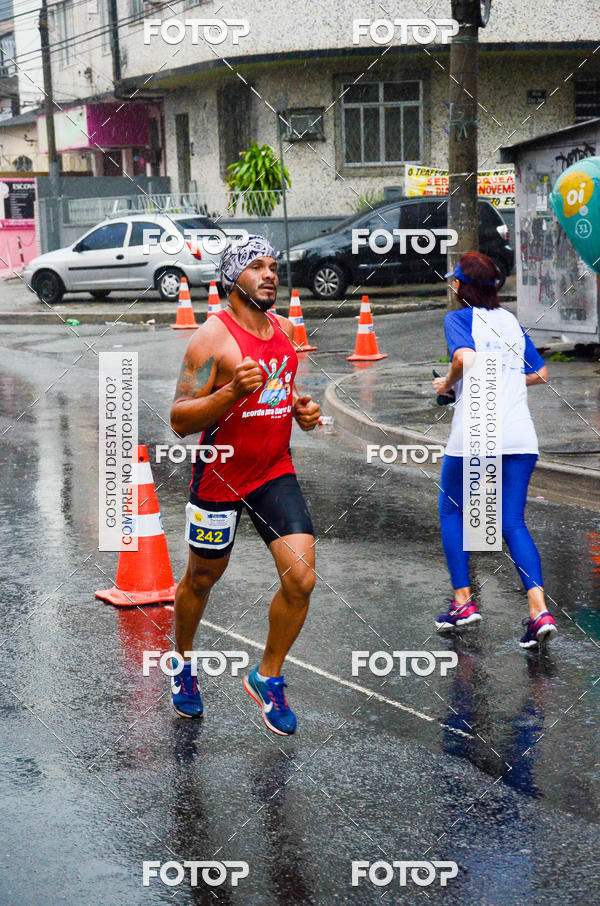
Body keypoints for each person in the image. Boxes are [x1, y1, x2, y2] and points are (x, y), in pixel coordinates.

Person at [169, 234, 320, 732]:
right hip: (221, 475)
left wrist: (301, 411)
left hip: (274, 470)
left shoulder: (284, 329)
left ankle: (267, 676)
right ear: (234, 278)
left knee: (301, 579)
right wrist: (231, 391)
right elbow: (180, 419)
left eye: (273, 265)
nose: (270, 274)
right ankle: (183, 663)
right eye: (256, 266)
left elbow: (281, 391)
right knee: (202, 579)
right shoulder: (210, 339)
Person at [432, 251, 558, 649]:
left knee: (453, 510)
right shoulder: (510, 322)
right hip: (520, 436)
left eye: (455, 280)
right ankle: (539, 611)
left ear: (461, 287)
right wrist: (507, 378)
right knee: (511, 522)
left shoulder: (459, 319)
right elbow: (540, 372)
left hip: (475, 432)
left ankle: (463, 603)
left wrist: (448, 384)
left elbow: (465, 357)